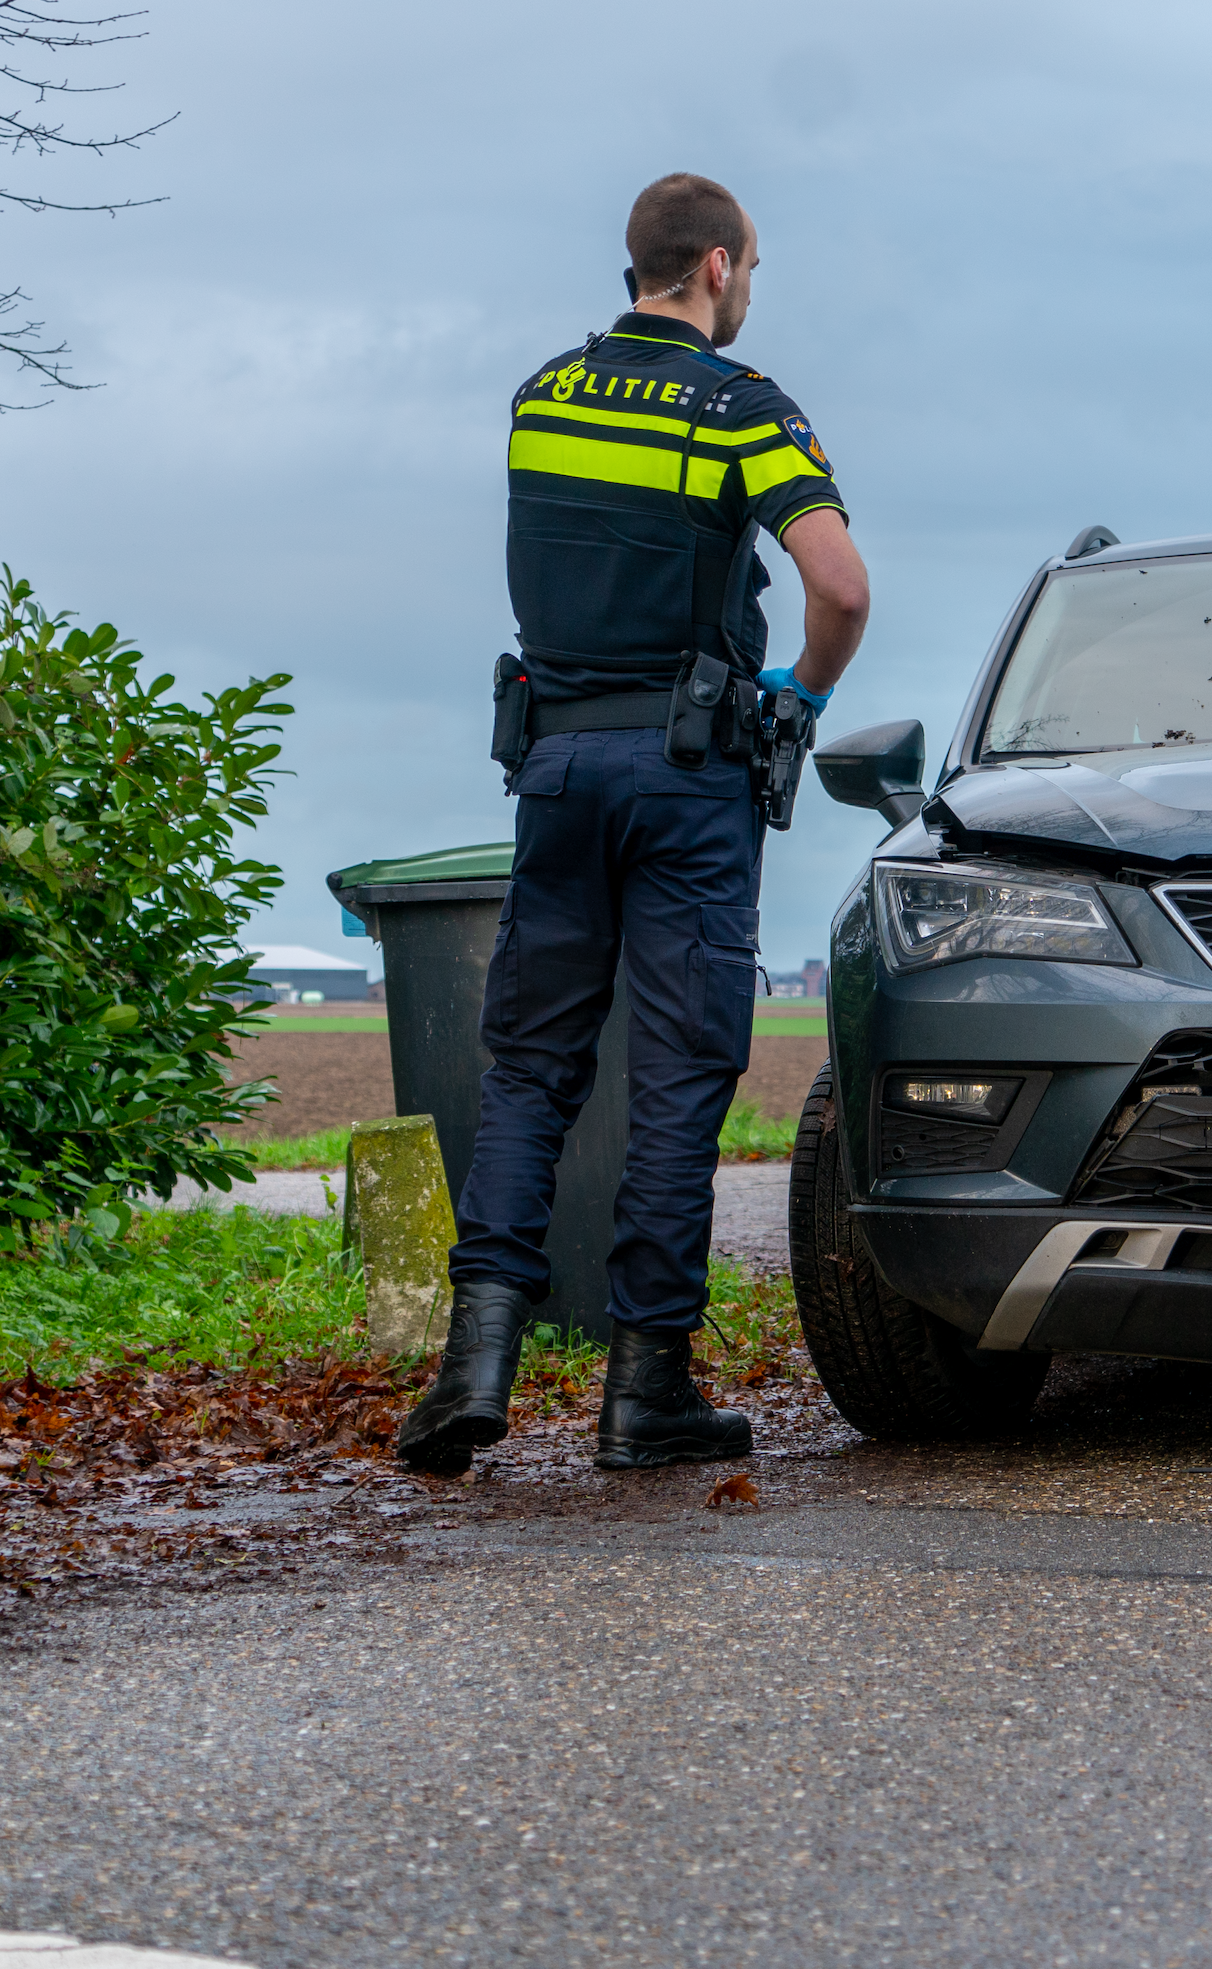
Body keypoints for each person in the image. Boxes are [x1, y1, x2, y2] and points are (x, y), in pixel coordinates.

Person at [399, 173, 871, 1475]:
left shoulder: (542, 397)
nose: (751, 290)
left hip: (553, 770)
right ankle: (645, 1385)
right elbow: (839, 586)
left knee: (530, 1069)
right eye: (755, 269)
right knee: (678, 1074)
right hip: (689, 780)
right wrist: (799, 695)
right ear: (716, 267)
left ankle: (474, 1365)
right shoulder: (744, 408)